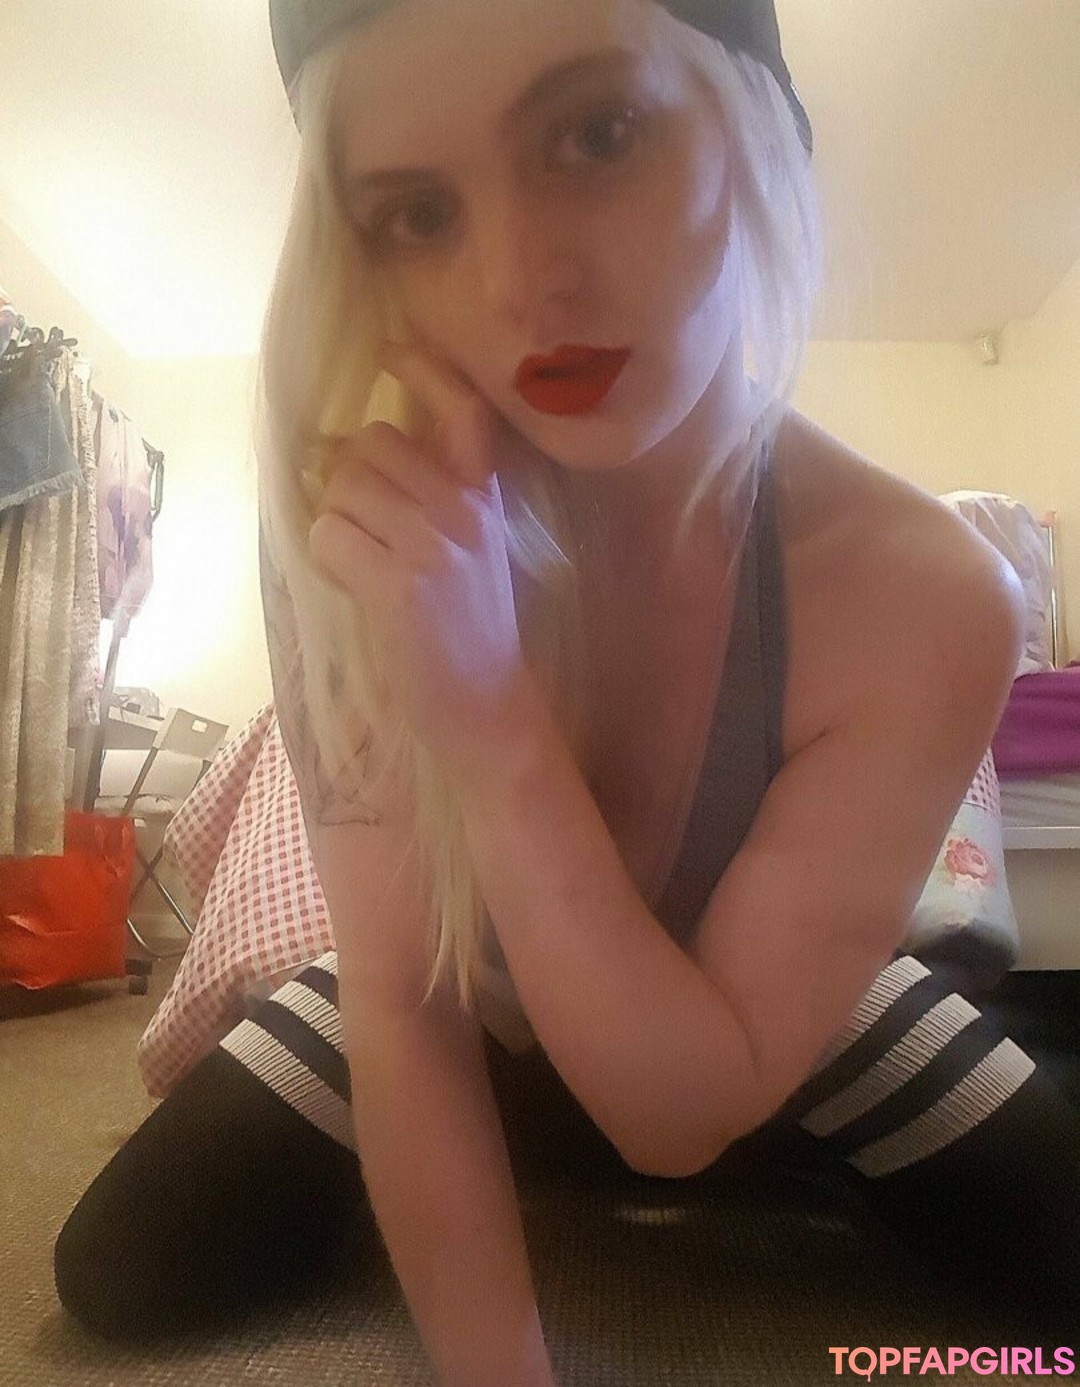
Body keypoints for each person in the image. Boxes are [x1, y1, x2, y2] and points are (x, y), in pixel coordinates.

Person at [54, 1, 1080, 1380]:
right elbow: (405, 1011)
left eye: (598, 135)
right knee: (128, 1267)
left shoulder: (930, 591)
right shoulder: (357, 520)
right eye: (418, 212)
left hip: (774, 1020)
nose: (519, 282)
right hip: (460, 983)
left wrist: (489, 715)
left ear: (751, 128)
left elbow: (677, 1116)